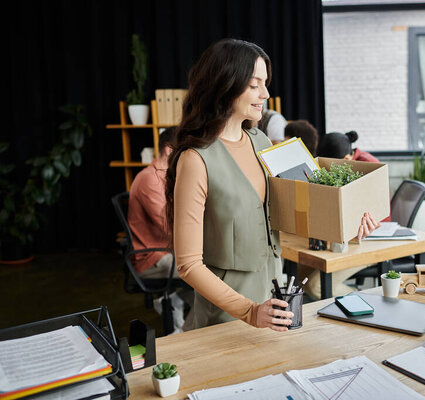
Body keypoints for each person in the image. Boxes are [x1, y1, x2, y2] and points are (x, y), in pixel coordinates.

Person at [164, 38, 378, 331]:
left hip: (274, 302)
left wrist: (349, 227)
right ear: (224, 84)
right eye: (255, 84)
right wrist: (249, 311)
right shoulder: (195, 160)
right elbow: (188, 265)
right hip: (226, 316)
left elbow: (291, 216)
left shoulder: (260, 141)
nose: (265, 93)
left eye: (265, 83)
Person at [299, 130, 382, 300]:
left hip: (371, 239)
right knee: (301, 276)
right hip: (342, 238)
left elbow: (374, 213)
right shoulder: (345, 163)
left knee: (315, 285)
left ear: (346, 160)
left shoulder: (368, 165)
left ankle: (369, 303)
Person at [127, 127, 193, 332]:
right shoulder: (150, 179)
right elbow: (168, 226)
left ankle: (175, 304)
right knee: (207, 273)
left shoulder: (166, 176)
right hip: (153, 258)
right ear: (168, 150)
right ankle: (184, 335)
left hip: (168, 251)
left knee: (212, 279)